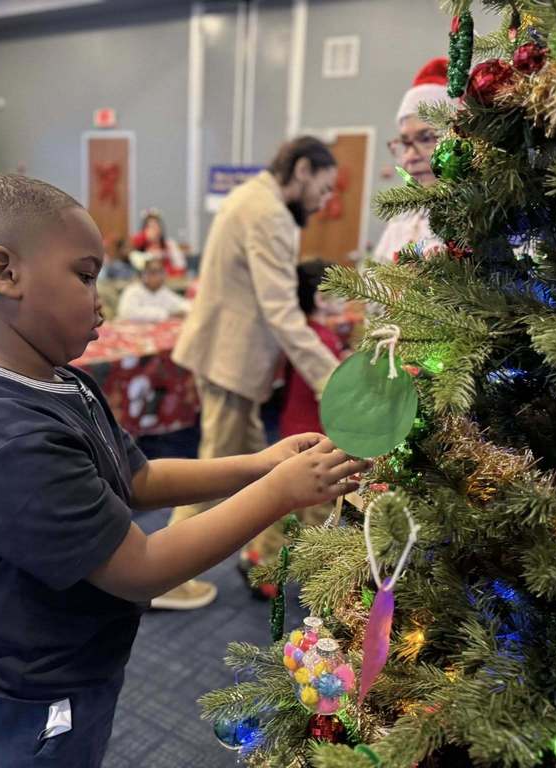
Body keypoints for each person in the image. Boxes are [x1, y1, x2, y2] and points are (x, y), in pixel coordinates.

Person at [0, 172, 367, 768]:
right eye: (84, 276)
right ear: (5, 273)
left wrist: (257, 465)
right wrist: (279, 492)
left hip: (77, 663)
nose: (99, 299)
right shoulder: (2, 437)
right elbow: (141, 568)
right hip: (19, 694)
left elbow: (137, 479)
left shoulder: (62, 381)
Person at [161, 136, 341, 610]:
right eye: (323, 189)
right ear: (302, 170)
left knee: (247, 470)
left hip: (227, 358)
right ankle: (162, 578)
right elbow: (282, 312)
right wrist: (336, 381)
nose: (323, 203)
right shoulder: (269, 213)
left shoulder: (251, 197)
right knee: (215, 470)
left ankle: (260, 556)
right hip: (229, 361)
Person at [241, 259, 348, 597]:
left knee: (281, 503)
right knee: (319, 509)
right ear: (319, 298)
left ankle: (262, 561)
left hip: (291, 430)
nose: (345, 298)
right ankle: (320, 583)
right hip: (317, 435)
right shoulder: (321, 340)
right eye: (338, 290)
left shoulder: (305, 334)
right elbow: (332, 390)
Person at [372, 57, 460, 265]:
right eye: (404, 143)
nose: (410, 156)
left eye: (427, 138)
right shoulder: (403, 217)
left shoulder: (483, 220)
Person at [116, 253, 190, 321]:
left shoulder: (163, 292)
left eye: (161, 272)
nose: (159, 276)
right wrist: (166, 314)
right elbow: (127, 313)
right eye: (154, 272)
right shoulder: (133, 291)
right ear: (144, 275)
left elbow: (182, 304)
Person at [130, 210, 186, 276]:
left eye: (155, 226)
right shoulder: (140, 245)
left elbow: (180, 266)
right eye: (149, 226)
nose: (153, 230)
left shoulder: (169, 244)